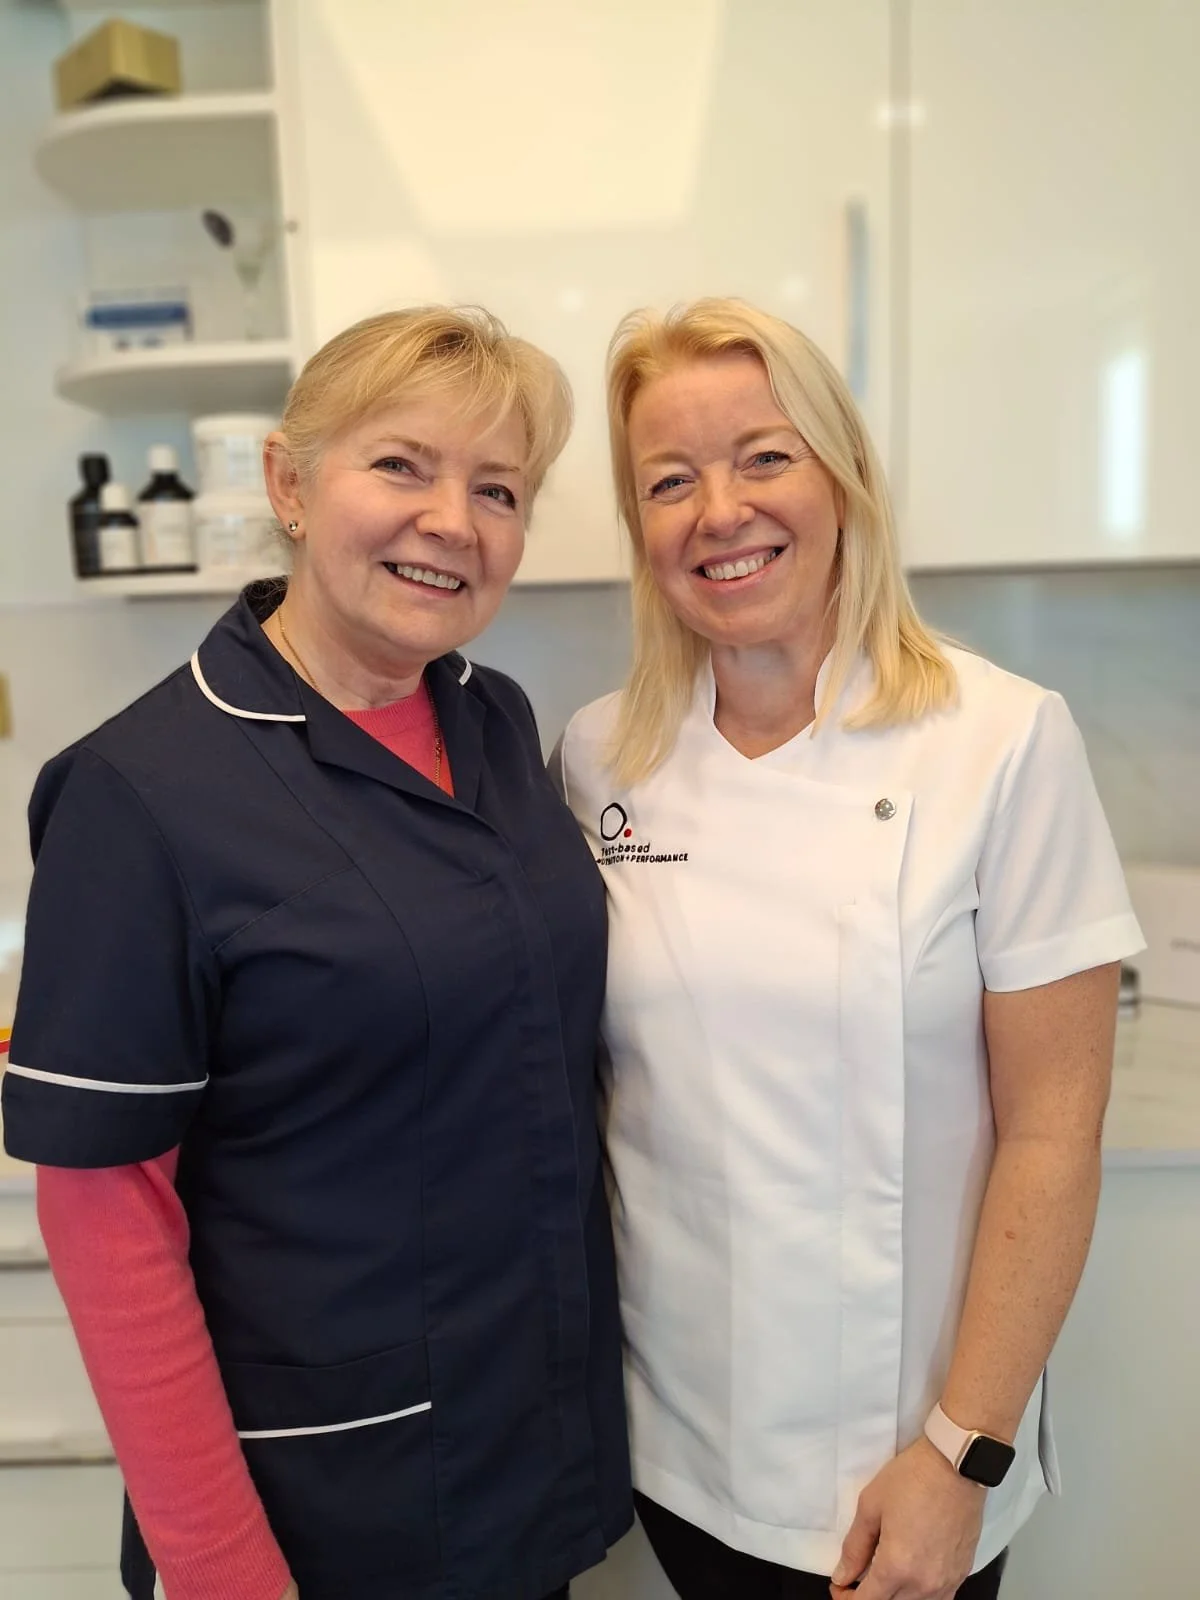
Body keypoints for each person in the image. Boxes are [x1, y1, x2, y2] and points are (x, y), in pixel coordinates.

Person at [2, 306, 632, 1600]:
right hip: (315, 1513)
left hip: (527, 1456)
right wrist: (225, 1572)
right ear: (290, 483)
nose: (454, 519)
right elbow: (106, 1214)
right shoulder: (143, 792)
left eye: (498, 488)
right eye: (402, 465)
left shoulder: (496, 724)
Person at [553, 298, 1142, 1600]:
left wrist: (961, 1454)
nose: (719, 510)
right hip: (674, 1435)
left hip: (904, 1461)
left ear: (844, 476)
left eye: (765, 456)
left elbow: (1054, 1131)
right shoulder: (601, 756)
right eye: (669, 479)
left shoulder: (1000, 740)